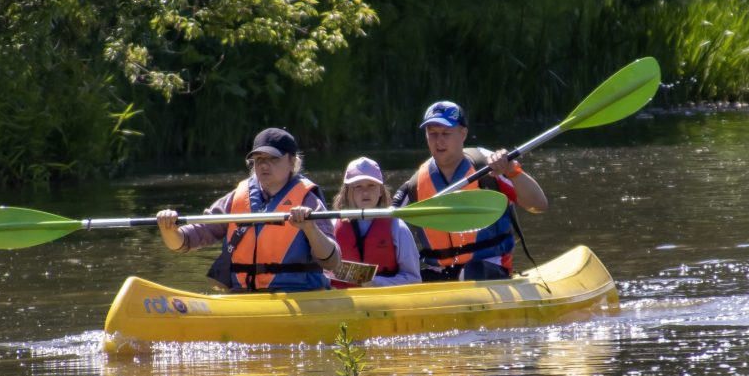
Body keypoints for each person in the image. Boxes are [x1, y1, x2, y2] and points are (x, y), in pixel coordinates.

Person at [156, 127, 340, 292]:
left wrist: (310, 229)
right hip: (243, 293)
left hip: (298, 293)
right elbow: (184, 241)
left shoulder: (308, 201)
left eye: (273, 158)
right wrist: (169, 230)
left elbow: (332, 261)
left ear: (292, 161)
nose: (264, 165)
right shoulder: (237, 197)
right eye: (259, 159)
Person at [392, 101, 548, 281]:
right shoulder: (416, 183)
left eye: (446, 133)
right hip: (440, 273)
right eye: (432, 133)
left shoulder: (487, 165)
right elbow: (386, 220)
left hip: (489, 267)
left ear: (463, 133)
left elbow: (539, 205)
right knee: (411, 280)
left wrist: (511, 169)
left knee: (471, 272)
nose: (439, 141)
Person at [328, 157, 422, 288]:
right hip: (343, 299)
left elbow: (414, 279)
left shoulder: (397, 227)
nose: (365, 192)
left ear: (380, 191)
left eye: (371, 185)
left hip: (384, 298)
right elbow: (321, 274)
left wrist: (375, 282)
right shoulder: (331, 227)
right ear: (347, 192)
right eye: (358, 187)